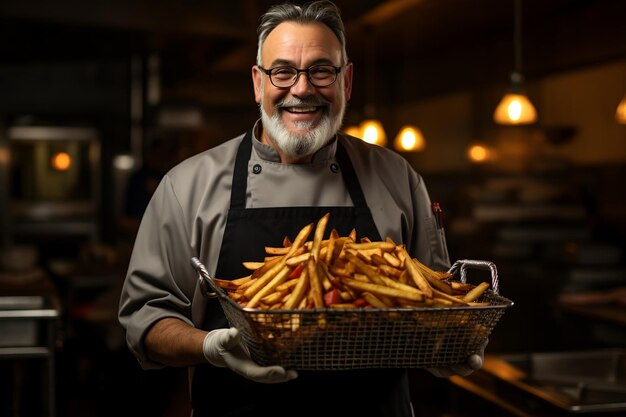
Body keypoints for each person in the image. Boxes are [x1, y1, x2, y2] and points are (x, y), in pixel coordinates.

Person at [118, 2, 484, 416]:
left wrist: (448, 344)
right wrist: (210, 347)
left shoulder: (397, 178)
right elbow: (145, 321)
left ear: (347, 81)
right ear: (258, 83)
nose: (303, 88)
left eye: (321, 70)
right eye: (283, 71)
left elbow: (437, 305)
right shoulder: (187, 187)